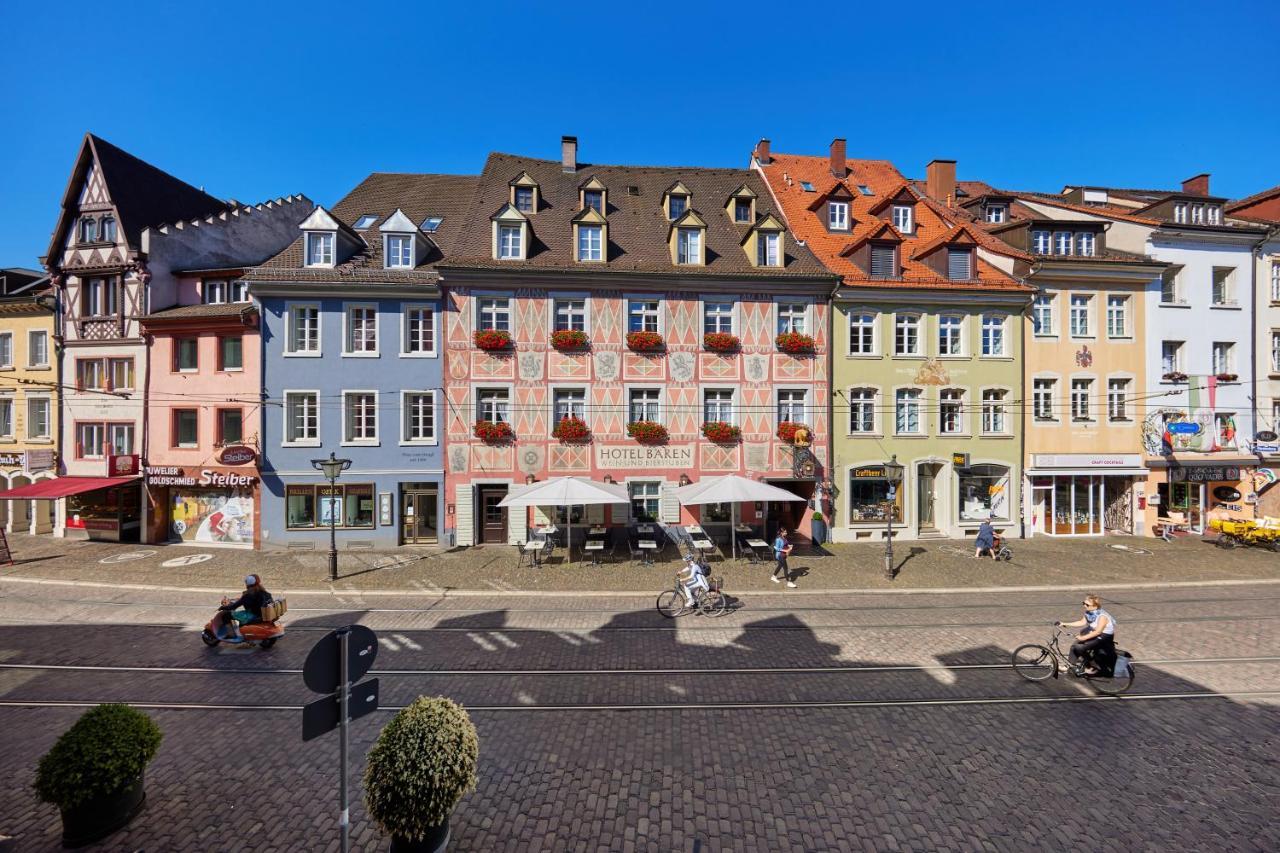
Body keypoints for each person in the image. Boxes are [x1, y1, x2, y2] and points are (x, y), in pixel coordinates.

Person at [1059, 593, 1117, 676]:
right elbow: (1081, 622)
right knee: (1074, 646)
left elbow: (1098, 632)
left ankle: (1092, 667)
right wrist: (1065, 623)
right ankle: (1068, 666)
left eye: (1087, 605)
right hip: (1096, 633)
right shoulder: (1089, 612)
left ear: (1095, 605)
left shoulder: (1102, 616)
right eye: (1083, 603)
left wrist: (1083, 638)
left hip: (1104, 637)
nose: (1084, 606)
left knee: (1080, 647)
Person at [216, 574, 273, 640]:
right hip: (261, 614)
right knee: (240, 615)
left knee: (226, 616)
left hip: (252, 615)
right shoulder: (264, 592)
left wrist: (223, 608)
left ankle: (231, 635)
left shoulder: (248, 595)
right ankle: (243, 634)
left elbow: (234, 606)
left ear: (247, 584)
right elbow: (244, 600)